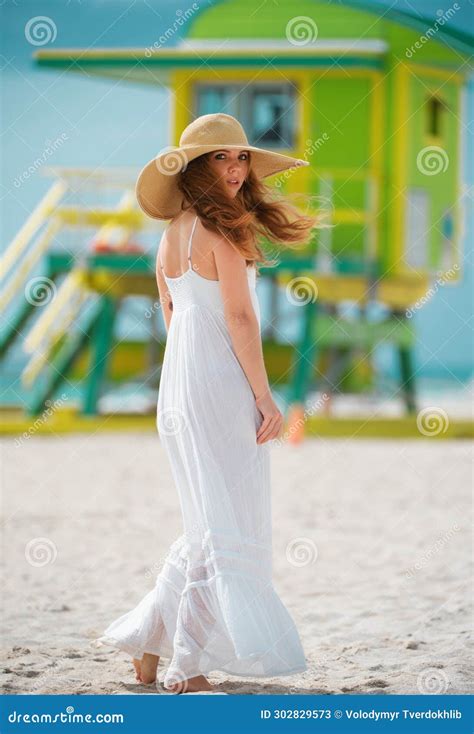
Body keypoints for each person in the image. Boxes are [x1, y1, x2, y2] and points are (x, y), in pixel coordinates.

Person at [93, 113, 321, 694]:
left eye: (241, 157)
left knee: (206, 523)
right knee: (222, 523)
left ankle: (150, 642)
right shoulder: (223, 234)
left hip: (181, 383)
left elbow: (174, 318)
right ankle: (186, 665)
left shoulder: (169, 236)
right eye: (221, 158)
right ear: (194, 168)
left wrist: (192, 376)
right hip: (217, 383)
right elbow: (241, 318)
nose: (236, 168)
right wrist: (264, 395)